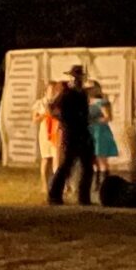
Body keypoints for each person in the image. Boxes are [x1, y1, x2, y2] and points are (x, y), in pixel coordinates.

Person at [48, 66, 98, 205]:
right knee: (67, 165)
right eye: (76, 76)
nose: (78, 79)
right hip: (71, 132)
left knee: (87, 166)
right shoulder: (67, 93)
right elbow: (51, 107)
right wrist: (62, 120)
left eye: (80, 76)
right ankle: (54, 195)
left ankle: (84, 197)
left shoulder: (81, 94)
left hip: (83, 131)